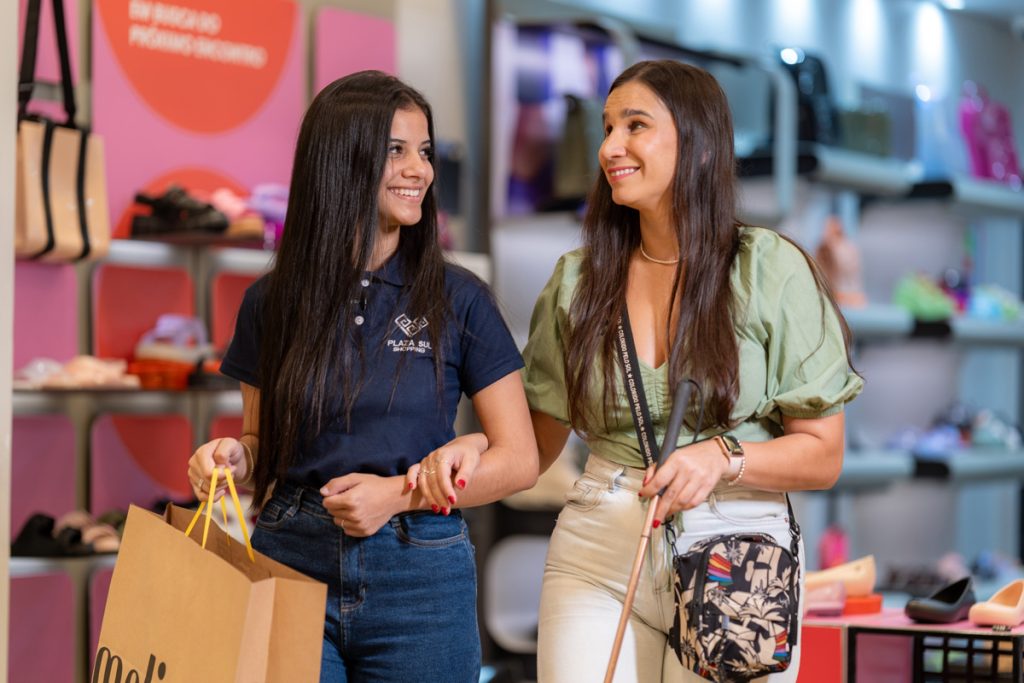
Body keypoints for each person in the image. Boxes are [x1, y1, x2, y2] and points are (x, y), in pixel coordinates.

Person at [185, 70, 538, 683]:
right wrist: (232, 459)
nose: (419, 170)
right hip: (290, 559)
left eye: (423, 152)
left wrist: (398, 495)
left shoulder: (460, 298)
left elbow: (519, 460)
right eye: (395, 150)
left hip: (420, 572)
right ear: (340, 159)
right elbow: (262, 446)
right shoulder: (272, 301)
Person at [521, 60, 864, 682]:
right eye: (607, 127)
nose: (609, 147)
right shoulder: (577, 281)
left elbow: (823, 452)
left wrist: (722, 459)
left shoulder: (768, 270)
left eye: (635, 126)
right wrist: (435, 469)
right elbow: (533, 447)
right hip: (599, 543)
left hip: (739, 550)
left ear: (699, 146)